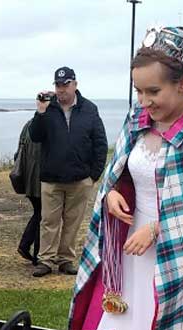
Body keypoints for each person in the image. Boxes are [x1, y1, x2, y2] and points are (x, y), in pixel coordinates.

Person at [67, 42, 183, 330]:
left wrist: (156, 229)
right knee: (115, 326)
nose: (144, 101)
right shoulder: (136, 118)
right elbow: (118, 171)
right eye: (138, 91)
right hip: (127, 245)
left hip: (176, 253)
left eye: (153, 91)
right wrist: (111, 194)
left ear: (182, 83)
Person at [29, 66, 108, 277]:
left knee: (73, 222)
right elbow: (35, 136)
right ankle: (45, 260)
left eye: (66, 85)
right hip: (51, 178)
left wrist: (93, 175)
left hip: (80, 178)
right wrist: (40, 112)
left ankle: (66, 259)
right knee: (49, 222)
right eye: (58, 85)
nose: (62, 89)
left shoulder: (89, 109)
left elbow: (100, 143)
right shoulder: (48, 109)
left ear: (75, 85)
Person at [13, 117, 42, 264]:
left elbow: (19, 151)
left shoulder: (28, 124)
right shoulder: (44, 125)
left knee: (39, 213)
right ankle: (36, 253)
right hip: (40, 178)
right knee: (43, 215)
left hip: (28, 176)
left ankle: (26, 246)